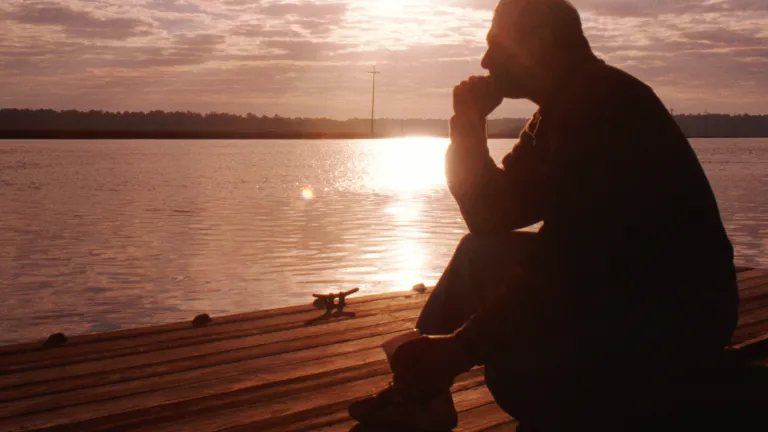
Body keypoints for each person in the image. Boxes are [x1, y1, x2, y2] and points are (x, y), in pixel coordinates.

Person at [349, 0, 739, 430]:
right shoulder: (557, 113)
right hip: (624, 294)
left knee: (517, 373)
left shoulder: (606, 106)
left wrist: (460, 350)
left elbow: (565, 261)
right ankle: (421, 395)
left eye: (495, 45)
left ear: (536, 44)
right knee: (480, 252)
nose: (484, 60)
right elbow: (488, 215)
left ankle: (426, 387)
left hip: (675, 319)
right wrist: (468, 124)